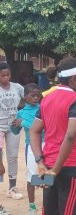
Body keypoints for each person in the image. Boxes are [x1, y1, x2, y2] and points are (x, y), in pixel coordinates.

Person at [30, 58, 76, 215]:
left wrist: (40, 163)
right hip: (71, 167)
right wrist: (56, 169)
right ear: (74, 79)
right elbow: (71, 135)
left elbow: (34, 130)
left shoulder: (47, 99)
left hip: (48, 165)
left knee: (51, 210)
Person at [11, 83, 42, 214]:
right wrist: (15, 125)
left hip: (46, 144)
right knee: (31, 177)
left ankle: (48, 202)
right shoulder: (21, 113)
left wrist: (22, 123)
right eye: (32, 95)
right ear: (25, 97)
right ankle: (32, 205)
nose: (36, 98)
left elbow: (42, 127)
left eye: (38, 95)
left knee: (45, 174)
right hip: (31, 147)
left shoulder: (43, 109)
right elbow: (15, 131)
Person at [0, 62, 24, 200]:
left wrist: (22, 117)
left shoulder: (16, 87)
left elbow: (32, 97)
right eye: (2, 75)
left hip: (13, 126)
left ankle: (12, 188)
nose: (5, 78)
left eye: (7, 75)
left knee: (13, 156)